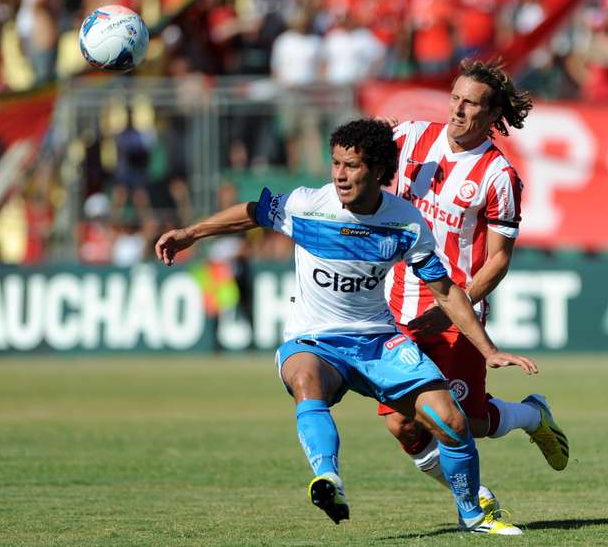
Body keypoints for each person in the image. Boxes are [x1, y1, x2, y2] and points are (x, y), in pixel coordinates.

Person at [156, 119, 536, 535]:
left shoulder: (405, 222)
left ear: (376, 171)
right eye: (335, 163)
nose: (339, 174)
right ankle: (327, 478)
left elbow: (445, 291)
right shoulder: (307, 205)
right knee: (305, 378)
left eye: (351, 165)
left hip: (376, 340)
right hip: (315, 341)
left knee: (452, 420)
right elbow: (251, 213)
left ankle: (473, 516)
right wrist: (191, 233)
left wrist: (488, 350)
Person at [376, 59, 570, 509]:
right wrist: (372, 138)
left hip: (452, 312)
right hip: (395, 305)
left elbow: (499, 260)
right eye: (455, 99)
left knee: (469, 420)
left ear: (491, 114)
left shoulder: (499, 176)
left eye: (472, 104)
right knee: (403, 423)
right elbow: (361, 175)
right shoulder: (408, 138)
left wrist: (450, 309)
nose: (459, 110)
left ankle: (531, 414)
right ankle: (476, 499)